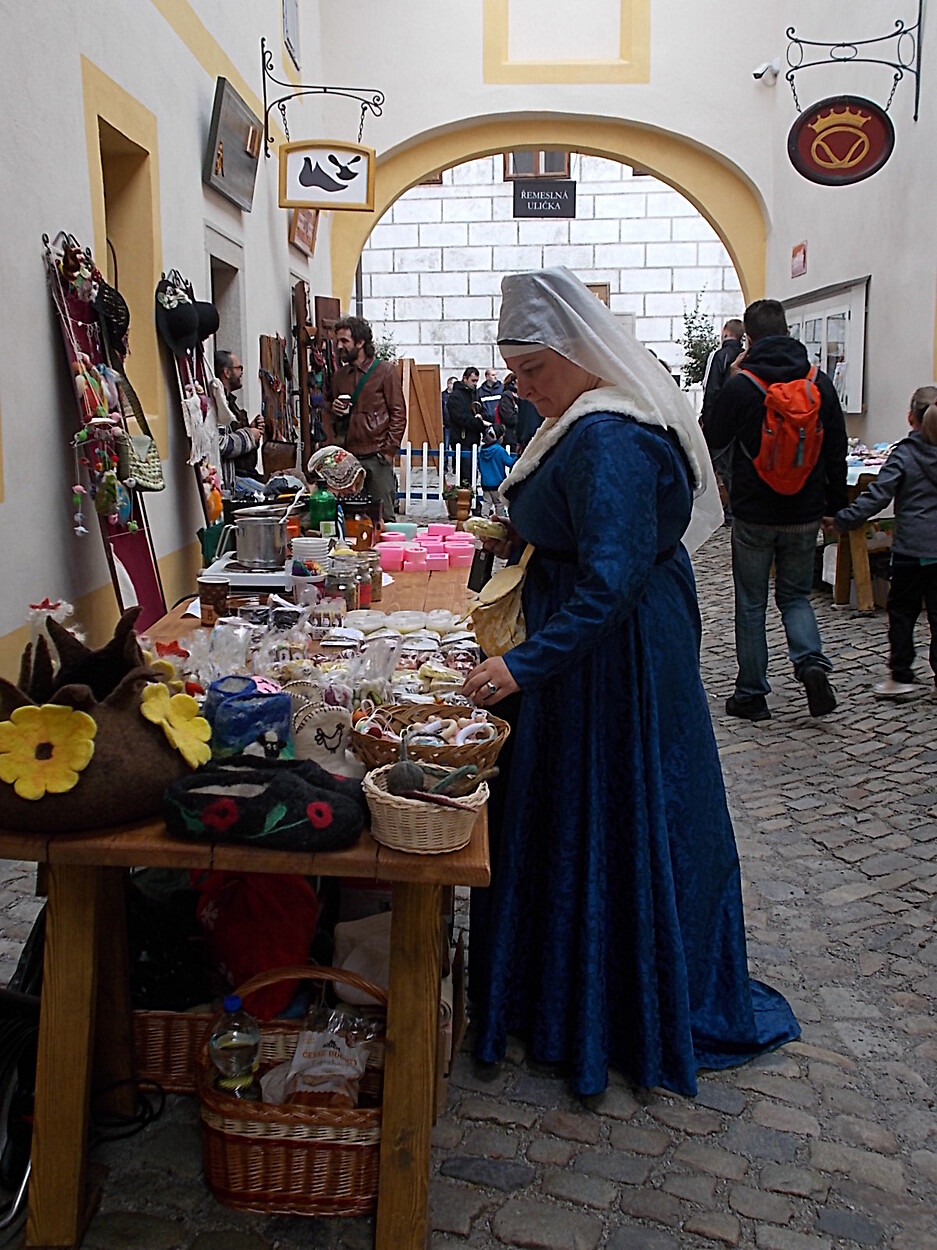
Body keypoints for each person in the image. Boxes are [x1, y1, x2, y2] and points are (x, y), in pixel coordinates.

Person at [461, 267, 799, 1098]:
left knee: (610, 813)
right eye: (514, 375)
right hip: (600, 650)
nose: (525, 389)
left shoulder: (609, 436)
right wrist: (520, 541)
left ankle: (608, 1008)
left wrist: (521, 665)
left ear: (578, 352)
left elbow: (608, 582)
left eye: (533, 371)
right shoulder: (585, 420)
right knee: (587, 815)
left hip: (609, 664)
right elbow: (590, 541)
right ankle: (576, 993)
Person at [706, 299, 847, 722]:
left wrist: (731, 379)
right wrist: (834, 505)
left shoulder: (743, 385)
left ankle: (751, 693)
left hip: (753, 513)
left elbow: (713, 435)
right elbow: (836, 448)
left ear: (749, 338)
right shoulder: (817, 382)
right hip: (804, 512)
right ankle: (810, 664)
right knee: (795, 597)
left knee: (751, 603)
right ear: (788, 331)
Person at [833, 385, 937, 698]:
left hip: (910, 549)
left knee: (903, 612)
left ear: (910, 417)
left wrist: (843, 520)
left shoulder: (905, 454)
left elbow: (878, 496)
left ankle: (902, 675)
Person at [325, 315, 406, 521]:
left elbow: (399, 413)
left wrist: (388, 452)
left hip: (376, 455)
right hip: (348, 457)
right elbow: (328, 412)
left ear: (360, 343)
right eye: (338, 341)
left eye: (344, 341)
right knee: (351, 519)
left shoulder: (385, 371)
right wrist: (334, 409)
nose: (339, 346)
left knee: (383, 519)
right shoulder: (339, 376)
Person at [701, 320, 745, 524]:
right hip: (744, 421)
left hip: (722, 421)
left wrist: (707, 421)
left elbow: (711, 391)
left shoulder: (719, 356)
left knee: (721, 467)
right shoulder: (747, 355)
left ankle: (727, 510)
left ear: (725, 332)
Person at [214, 349, 263, 489]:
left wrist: (250, 429)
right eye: (238, 368)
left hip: (241, 476)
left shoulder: (229, 403)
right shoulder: (217, 402)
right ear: (227, 372)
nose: (242, 372)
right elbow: (221, 444)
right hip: (230, 483)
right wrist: (249, 435)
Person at [478, 425, 515, 516]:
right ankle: (500, 520)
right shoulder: (500, 450)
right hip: (497, 483)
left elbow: (479, 465)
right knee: (499, 504)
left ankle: (484, 519)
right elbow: (510, 463)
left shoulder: (482, 451)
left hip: (485, 483)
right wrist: (518, 457)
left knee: (487, 503)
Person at [447, 368, 486, 448]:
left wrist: (481, 417)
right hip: (461, 439)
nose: (475, 384)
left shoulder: (475, 394)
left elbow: (481, 409)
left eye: (477, 381)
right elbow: (459, 417)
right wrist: (478, 422)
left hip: (474, 438)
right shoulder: (455, 396)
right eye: (473, 380)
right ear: (465, 378)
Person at [494, 373, 519, 443]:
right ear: (516, 381)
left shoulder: (523, 395)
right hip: (511, 436)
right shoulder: (507, 395)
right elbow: (509, 417)